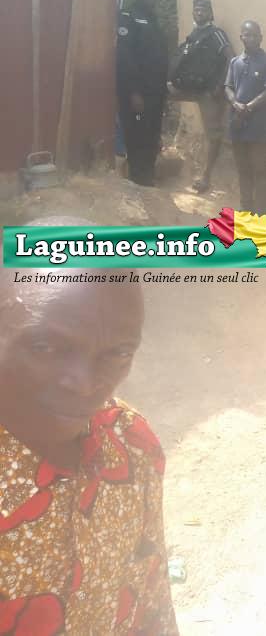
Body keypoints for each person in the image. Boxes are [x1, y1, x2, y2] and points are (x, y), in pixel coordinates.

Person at [0, 218, 178, 634]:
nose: (84, 384)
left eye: (117, 354)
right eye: (45, 347)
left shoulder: (133, 443)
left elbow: (152, 599)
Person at [168, 0, 235, 194]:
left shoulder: (217, 34)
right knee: (156, 96)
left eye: (203, 9)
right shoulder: (194, 34)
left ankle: (206, 176)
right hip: (191, 88)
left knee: (213, 134)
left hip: (209, 92)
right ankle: (158, 150)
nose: (199, 12)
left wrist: (221, 86)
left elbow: (231, 59)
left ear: (210, 13)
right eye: (196, 9)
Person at [116, 0, 168, 187]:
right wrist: (134, 92)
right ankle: (138, 178)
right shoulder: (128, 17)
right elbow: (125, 57)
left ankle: (148, 177)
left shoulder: (153, 19)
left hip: (155, 92)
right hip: (138, 93)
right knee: (137, 135)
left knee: (152, 134)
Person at [225, 21, 266, 214]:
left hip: (259, 127)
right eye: (247, 35)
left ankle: (262, 211)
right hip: (237, 124)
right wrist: (235, 103)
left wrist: (248, 107)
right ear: (241, 37)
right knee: (243, 169)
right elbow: (227, 87)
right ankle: (245, 209)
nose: (251, 38)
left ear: (261, 38)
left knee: (260, 169)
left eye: (255, 35)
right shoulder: (235, 62)